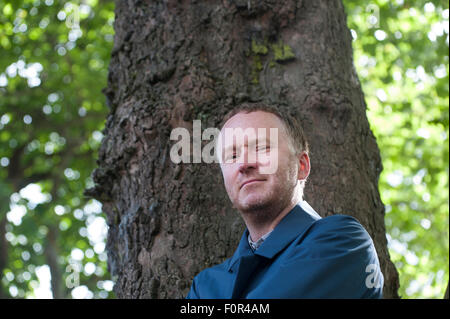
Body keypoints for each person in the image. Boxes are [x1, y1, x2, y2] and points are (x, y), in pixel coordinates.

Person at [186, 103, 384, 299]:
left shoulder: (344, 242)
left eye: (262, 148)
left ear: (302, 166)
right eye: (232, 155)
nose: (244, 164)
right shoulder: (204, 285)